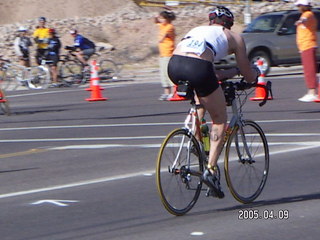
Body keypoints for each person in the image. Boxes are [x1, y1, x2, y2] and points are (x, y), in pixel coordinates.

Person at [167, 6, 260, 198]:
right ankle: (210, 169)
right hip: (198, 68)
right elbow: (247, 72)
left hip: (174, 65)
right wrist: (254, 76)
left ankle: (196, 138)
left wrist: (231, 72)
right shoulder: (234, 37)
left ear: (211, 21)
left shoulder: (198, 31)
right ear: (229, 23)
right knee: (219, 118)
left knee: (201, 98)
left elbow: (210, 72)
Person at [295, 0, 318, 102]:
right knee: (309, 70)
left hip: (308, 46)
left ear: (303, 6)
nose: (298, 8)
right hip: (305, 47)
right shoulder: (305, 14)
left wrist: (301, 21)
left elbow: (306, 18)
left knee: (309, 70)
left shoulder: (308, 14)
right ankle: (312, 91)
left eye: (299, 6)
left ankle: (312, 92)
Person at [154, 10, 176, 101]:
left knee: (168, 73)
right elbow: (156, 22)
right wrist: (156, 17)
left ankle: (172, 92)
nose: (161, 20)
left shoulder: (170, 27)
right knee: (163, 73)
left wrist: (160, 38)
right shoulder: (162, 26)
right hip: (162, 53)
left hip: (168, 52)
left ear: (167, 19)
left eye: (162, 18)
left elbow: (162, 37)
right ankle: (166, 92)